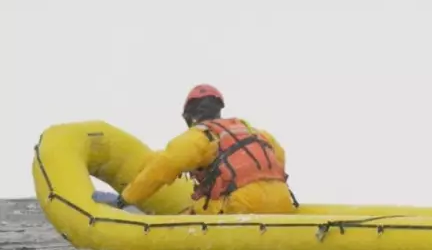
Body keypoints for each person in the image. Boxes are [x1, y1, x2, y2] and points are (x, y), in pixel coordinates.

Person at [109, 84, 298, 216]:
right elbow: (279, 158)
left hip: (241, 206)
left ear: (190, 116)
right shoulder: (254, 131)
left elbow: (162, 168)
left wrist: (126, 198)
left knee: (191, 212)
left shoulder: (199, 136)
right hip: (282, 202)